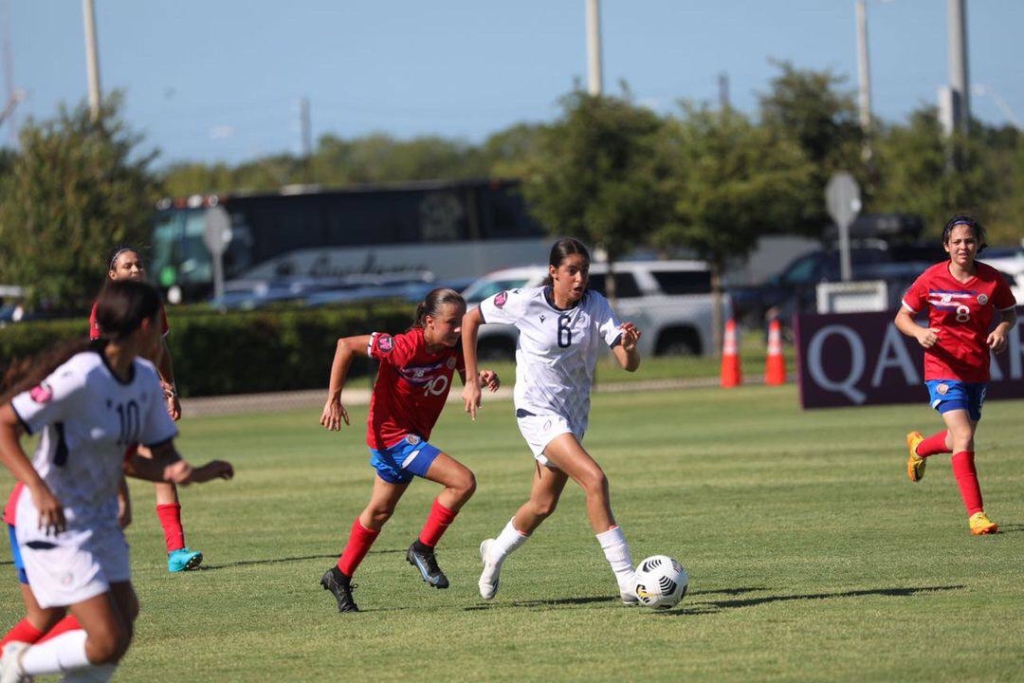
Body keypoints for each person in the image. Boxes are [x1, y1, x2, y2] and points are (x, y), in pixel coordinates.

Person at [0, 279, 233, 682]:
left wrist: (192, 472)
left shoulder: (144, 379)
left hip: (98, 520)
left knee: (124, 624)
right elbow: (4, 424)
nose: (164, 333)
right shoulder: (81, 376)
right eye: (159, 323)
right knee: (104, 637)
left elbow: (152, 459)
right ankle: (15, 664)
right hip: (55, 522)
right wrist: (39, 489)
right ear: (144, 326)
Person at [461, 237, 643, 604]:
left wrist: (630, 345)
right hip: (536, 411)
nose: (579, 279)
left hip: (573, 414)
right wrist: (469, 379)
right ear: (553, 272)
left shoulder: (596, 305)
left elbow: (628, 364)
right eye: (572, 271)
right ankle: (626, 580)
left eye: (584, 271)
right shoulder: (525, 301)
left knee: (542, 505)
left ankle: (494, 552)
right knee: (595, 479)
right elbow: (470, 318)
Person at [318, 288, 500, 613]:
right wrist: (334, 398)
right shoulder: (403, 345)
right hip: (393, 437)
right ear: (429, 321)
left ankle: (340, 575)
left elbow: (461, 373)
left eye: (462, 322)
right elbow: (345, 345)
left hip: (409, 437)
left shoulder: (450, 347)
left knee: (379, 513)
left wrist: (478, 378)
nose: (459, 329)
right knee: (462, 482)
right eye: (451, 322)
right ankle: (422, 548)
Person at [896, 215, 1017, 535]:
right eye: (957, 241)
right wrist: (919, 333)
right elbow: (902, 318)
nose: (964, 246)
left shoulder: (992, 280)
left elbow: (1008, 312)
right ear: (946, 246)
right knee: (964, 437)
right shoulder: (931, 279)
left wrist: (1002, 329)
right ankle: (977, 515)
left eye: (970, 240)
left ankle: (919, 448)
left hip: (976, 368)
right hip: (942, 368)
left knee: (955, 439)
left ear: (978, 244)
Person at [91, 247, 203, 573]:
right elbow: (100, 357)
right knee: (105, 475)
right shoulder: (105, 309)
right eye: (128, 266)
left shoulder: (153, 306)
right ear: (113, 275)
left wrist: (170, 390)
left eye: (139, 264)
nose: (136, 269)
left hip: (141, 397)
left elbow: (161, 350)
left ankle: (177, 551)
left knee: (159, 460)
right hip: (108, 403)